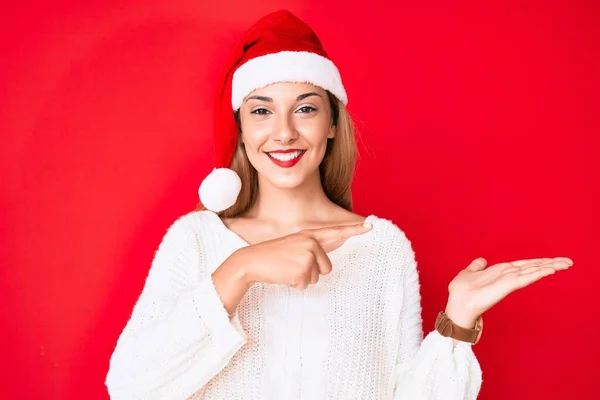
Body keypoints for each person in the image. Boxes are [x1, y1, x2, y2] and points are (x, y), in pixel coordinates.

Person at [104, 9, 574, 400]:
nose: (284, 131)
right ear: (242, 129)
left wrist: (458, 321)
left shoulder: (382, 247)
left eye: (305, 108)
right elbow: (130, 387)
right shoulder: (196, 240)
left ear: (332, 123)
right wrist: (239, 270)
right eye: (262, 110)